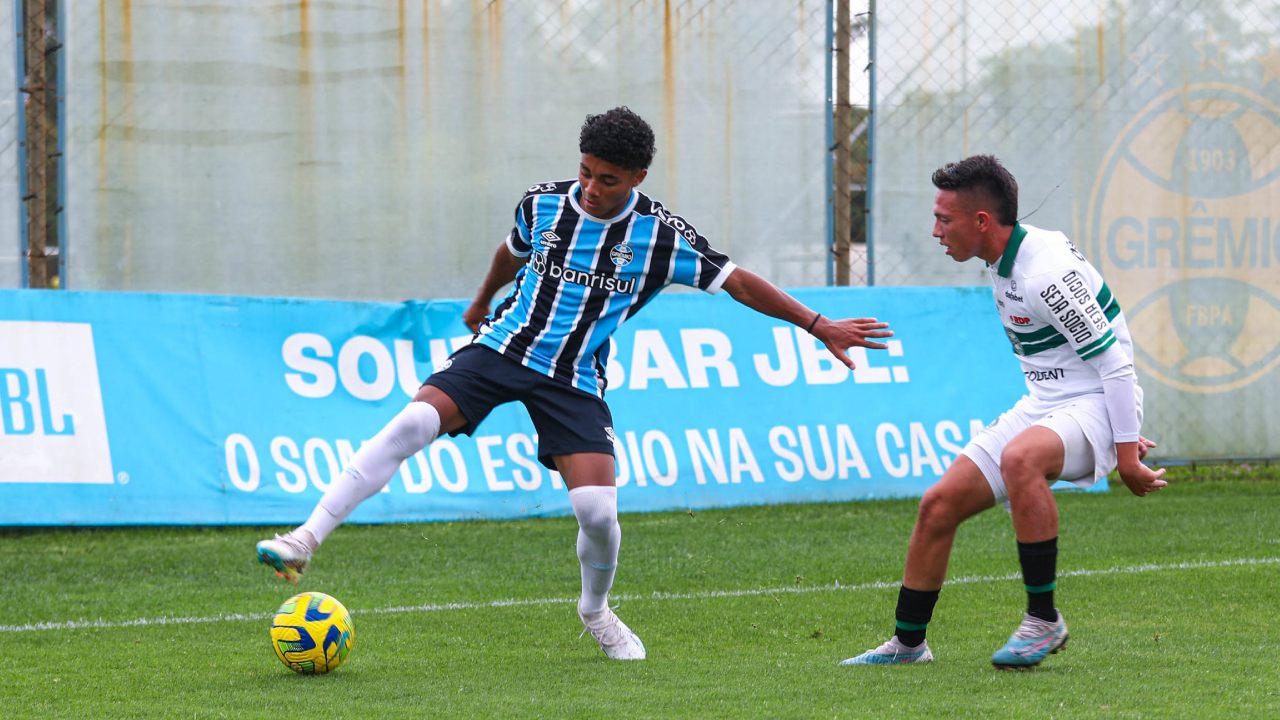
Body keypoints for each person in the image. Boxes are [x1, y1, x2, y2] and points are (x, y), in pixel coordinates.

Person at [257, 107, 894, 661]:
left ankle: (596, 611)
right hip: (502, 348)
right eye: (586, 171)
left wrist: (817, 324)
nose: (590, 187)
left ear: (638, 178)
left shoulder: (661, 236)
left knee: (597, 511)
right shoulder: (542, 202)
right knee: (411, 422)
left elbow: (740, 281)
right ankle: (304, 540)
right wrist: (482, 301)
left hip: (574, 377)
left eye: (607, 179)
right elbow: (511, 250)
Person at [841, 154, 1166, 669]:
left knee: (1021, 459)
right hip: (1050, 407)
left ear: (982, 221)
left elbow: (1117, 367)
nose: (935, 231)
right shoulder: (1003, 258)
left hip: (1097, 402)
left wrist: (1122, 448)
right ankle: (908, 645)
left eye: (944, 220)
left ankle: (1043, 620)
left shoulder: (1045, 273)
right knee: (938, 504)